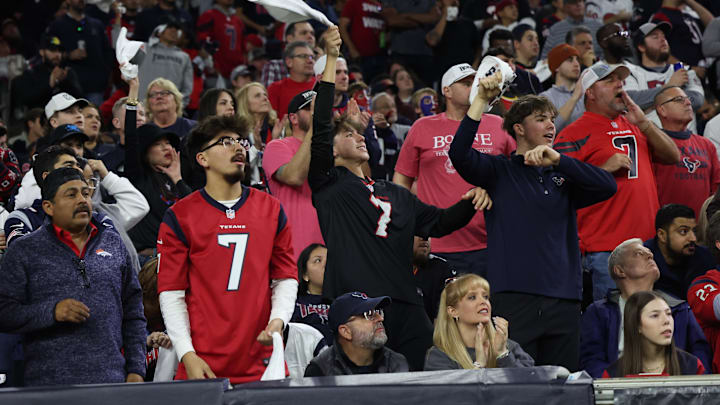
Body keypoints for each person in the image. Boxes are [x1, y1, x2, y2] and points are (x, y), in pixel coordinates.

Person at [310, 27, 488, 370]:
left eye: (359, 132)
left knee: (425, 378)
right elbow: (320, 125)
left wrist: (471, 199)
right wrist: (332, 59)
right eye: (348, 134)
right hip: (356, 303)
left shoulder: (395, 192)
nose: (358, 137)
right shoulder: (329, 185)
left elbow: (441, 222)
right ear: (330, 150)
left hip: (407, 301)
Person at [448, 75, 617, 370]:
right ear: (519, 128)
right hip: (516, 298)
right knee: (518, 386)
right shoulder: (499, 172)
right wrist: (479, 103)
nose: (551, 125)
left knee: (562, 384)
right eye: (541, 119)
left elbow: (607, 186)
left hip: (564, 297)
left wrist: (560, 161)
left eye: (552, 119)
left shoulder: (562, 175)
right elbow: (459, 155)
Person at [158, 115, 298, 383]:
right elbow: (172, 293)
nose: (238, 148)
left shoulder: (271, 208)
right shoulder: (180, 216)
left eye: (240, 141)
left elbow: (285, 276)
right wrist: (187, 354)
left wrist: (278, 320)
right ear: (202, 159)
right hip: (203, 364)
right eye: (225, 142)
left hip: (263, 361)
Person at [0, 167, 147, 385]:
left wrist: (137, 369)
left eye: (86, 193)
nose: (82, 200)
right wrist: (52, 312)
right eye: (71, 194)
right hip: (48, 387)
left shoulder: (113, 243)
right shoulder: (24, 251)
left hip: (112, 382)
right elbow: (4, 313)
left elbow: (133, 312)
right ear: (49, 207)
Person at [555, 62, 681, 301]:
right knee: (615, 326)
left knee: (651, 324)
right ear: (590, 92)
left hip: (648, 245)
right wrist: (601, 170)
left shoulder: (635, 124)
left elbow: (673, 156)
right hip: (606, 248)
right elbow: (560, 188)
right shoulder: (571, 133)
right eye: (610, 80)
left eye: (621, 80)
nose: (619, 84)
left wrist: (644, 122)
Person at [394, 63, 515, 276]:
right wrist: (408, 228)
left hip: (492, 241)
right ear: (446, 91)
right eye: (466, 83)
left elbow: (516, 174)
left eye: (475, 82)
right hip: (437, 244)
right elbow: (401, 182)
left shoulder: (498, 124)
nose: (474, 87)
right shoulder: (422, 127)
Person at [580, 238, 711, 377]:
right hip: (618, 391)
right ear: (619, 270)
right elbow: (591, 361)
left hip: (676, 391)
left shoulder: (679, 308)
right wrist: (617, 387)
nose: (650, 255)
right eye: (638, 253)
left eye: (650, 254)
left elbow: (700, 354)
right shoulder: (599, 313)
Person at [124, 76, 192, 265]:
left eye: (168, 143)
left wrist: (178, 178)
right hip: (149, 260)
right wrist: (133, 92)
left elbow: (194, 210)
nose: (166, 148)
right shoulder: (137, 178)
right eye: (158, 144)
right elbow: (131, 138)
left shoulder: (177, 179)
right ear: (145, 153)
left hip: (180, 256)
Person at [424, 274, 534, 370]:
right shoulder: (439, 356)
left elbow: (530, 387)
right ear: (453, 311)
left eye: (485, 297)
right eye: (472, 297)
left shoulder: (509, 347)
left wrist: (502, 355)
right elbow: (449, 393)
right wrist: (479, 364)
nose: (483, 302)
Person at [263, 90, 324, 261]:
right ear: (293, 118)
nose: (316, 112)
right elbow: (294, 177)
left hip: (328, 248)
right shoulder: (277, 146)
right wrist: (314, 128)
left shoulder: (330, 150)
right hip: (295, 249)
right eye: (309, 109)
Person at [602, 291, 706, 377]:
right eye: (655, 315)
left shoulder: (693, 366)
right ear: (637, 325)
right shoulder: (614, 374)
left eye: (669, 313)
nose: (666, 321)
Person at [624, 22, 704, 133]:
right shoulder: (631, 73)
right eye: (655, 36)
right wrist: (671, 86)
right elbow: (631, 100)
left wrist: (650, 105)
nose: (662, 40)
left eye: (664, 36)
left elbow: (697, 100)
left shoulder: (685, 70)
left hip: (687, 143)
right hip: (649, 142)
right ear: (641, 47)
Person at [304, 292, 408, 376]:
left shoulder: (397, 363)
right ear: (346, 331)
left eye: (378, 312)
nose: (380, 318)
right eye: (369, 315)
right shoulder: (320, 370)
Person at [653, 87, 720, 217]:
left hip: (702, 227)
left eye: (688, 99)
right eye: (679, 100)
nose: (688, 103)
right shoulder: (653, 144)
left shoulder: (706, 144)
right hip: (666, 226)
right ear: (662, 110)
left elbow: (716, 188)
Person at [47, 0, 113, 105]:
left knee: (93, 118)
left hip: (95, 85)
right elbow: (49, 52)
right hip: (68, 86)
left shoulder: (97, 25)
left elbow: (107, 52)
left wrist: (106, 74)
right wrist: (68, 55)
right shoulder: (57, 26)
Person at [645, 204, 716, 300]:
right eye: (683, 231)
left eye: (694, 231)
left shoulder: (706, 258)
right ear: (662, 235)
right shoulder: (643, 262)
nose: (693, 238)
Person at [11, 34, 83, 113]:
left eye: (60, 51)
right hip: (41, 117)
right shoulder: (31, 73)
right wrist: (50, 85)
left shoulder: (67, 72)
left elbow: (79, 98)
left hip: (65, 116)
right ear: (42, 52)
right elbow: (25, 99)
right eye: (52, 50)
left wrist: (65, 81)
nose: (57, 54)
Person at [138, 22, 194, 107]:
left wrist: (179, 105)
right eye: (170, 27)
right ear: (159, 31)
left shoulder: (184, 57)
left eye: (177, 29)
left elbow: (187, 87)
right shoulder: (143, 48)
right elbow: (117, 47)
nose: (174, 31)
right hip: (143, 106)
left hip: (169, 109)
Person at [291, 243, 332, 344]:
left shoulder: (344, 302)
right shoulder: (292, 303)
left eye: (330, 260)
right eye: (318, 260)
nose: (326, 264)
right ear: (305, 274)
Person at [196, 0, 246, 81]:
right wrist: (211, 66)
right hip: (215, 74)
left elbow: (243, 48)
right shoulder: (209, 15)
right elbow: (202, 44)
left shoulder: (238, 20)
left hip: (237, 74)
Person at [539, 44, 585, 132]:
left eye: (577, 60)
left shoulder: (585, 93)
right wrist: (575, 97)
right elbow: (549, 129)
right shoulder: (545, 97)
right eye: (570, 60)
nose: (576, 64)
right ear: (556, 67)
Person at [267, 41, 317, 120]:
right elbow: (271, 120)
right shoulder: (275, 88)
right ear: (289, 62)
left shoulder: (321, 86)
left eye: (312, 57)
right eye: (303, 56)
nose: (310, 61)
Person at [338, 0, 386, 81]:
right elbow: (342, 27)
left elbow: (383, 30)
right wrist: (351, 48)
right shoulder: (354, 2)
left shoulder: (380, 6)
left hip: (379, 56)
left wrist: (383, 45)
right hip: (359, 57)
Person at [261, 21, 316, 89]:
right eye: (304, 33)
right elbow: (267, 98)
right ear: (290, 38)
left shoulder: (323, 64)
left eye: (312, 33)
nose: (310, 36)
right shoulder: (274, 67)